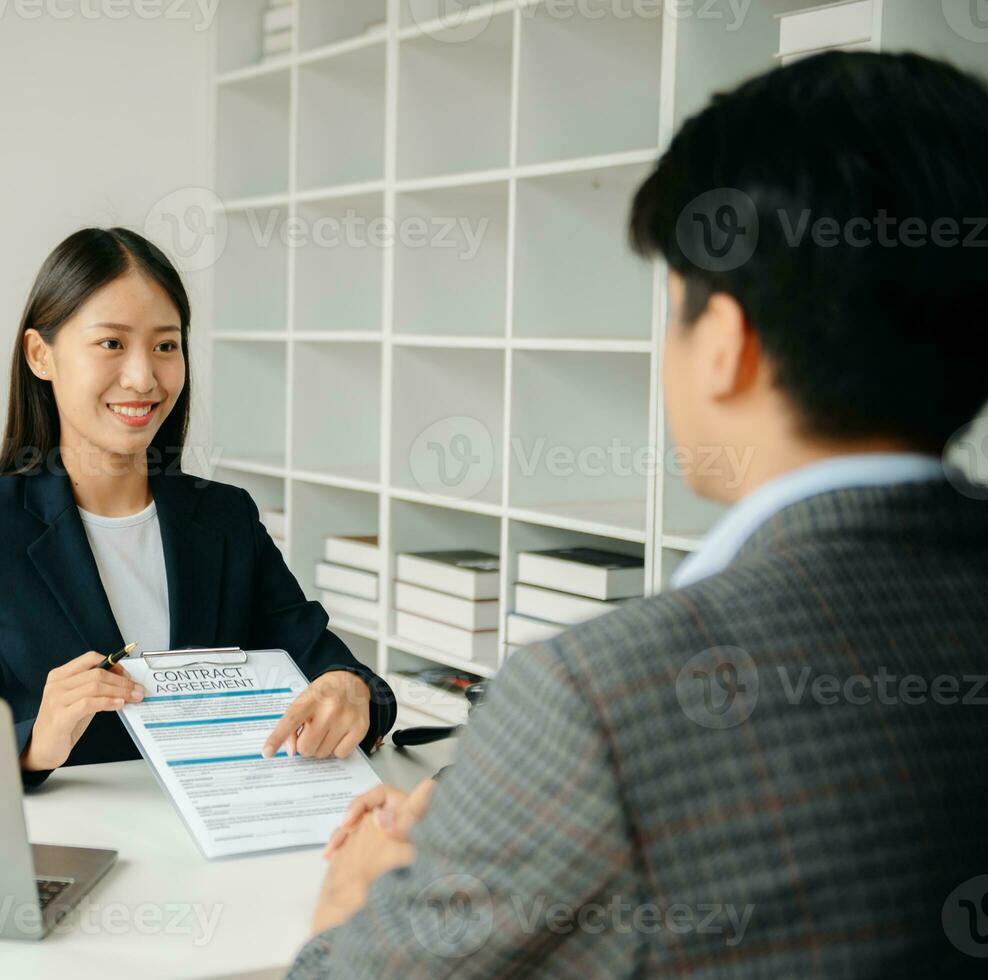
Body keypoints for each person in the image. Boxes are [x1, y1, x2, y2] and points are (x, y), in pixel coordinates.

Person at [289, 51, 988, 977]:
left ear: (724, 346)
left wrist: (348, 908)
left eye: (672, 311)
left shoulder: (599, 696)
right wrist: (487, 806)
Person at [0, 227, 394, 787]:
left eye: (165, 346)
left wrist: (353, 690)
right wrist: (27, 743)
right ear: (40, 355)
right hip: (69, 848)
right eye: (112, 344)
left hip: (222, 836)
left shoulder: (226, 518)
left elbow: (345, 674)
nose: (143, 378)